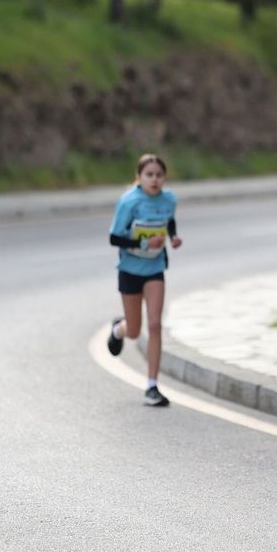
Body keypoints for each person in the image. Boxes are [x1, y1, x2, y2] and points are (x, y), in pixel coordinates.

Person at [104, 153, 181, 407]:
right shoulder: (129, 202)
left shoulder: (169, 199)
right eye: (149, 175)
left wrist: (173, 237)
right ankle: (119, 328)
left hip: (154, 268)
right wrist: (143, 242)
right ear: (139, 177)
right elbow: (114, 238)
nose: (155, 180)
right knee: (134, 330)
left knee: (155, 325)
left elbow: (168, 220)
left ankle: (152, 386)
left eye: (159, 175)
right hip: (129, 270)